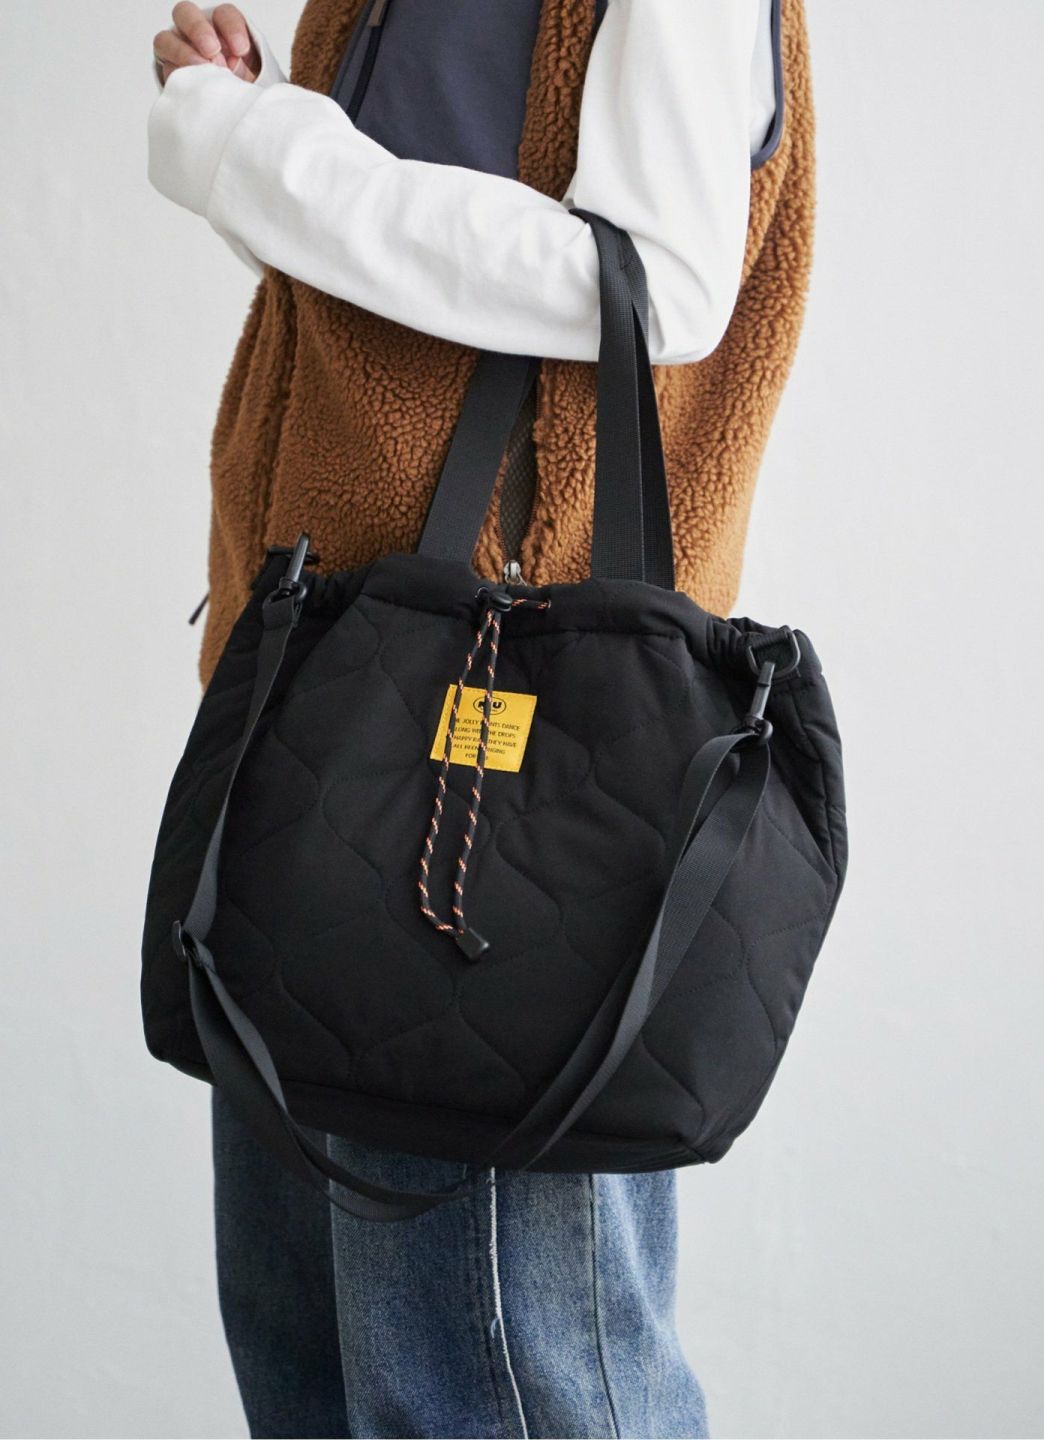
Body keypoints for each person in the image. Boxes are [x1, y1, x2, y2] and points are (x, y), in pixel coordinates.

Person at [147, 2, 815, 1435]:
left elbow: (651, 281)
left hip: (494, 788)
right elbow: (414, 294)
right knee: (317, 1371)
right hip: (321, 722)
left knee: (498, 1383)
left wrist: (258, 148)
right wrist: (266, 119)